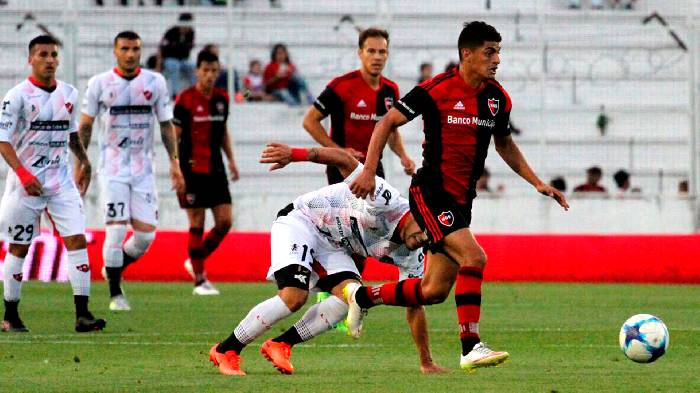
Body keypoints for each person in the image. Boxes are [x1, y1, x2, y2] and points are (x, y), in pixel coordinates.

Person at [347, 21, 569, 371]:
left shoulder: (497, 99)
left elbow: (504, 144)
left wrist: (536, 182)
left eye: (499, 52)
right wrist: (369, 169)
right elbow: (385, 122)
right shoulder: (437, 89)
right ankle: (471, 345)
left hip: (461, 201)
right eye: (489, 52)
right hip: (430, 192)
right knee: (475, 257)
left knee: (433, 290)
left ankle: (364, 296)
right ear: (467, 54)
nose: (497, 59)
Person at [208, 143, 446, 376]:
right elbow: (344, 159)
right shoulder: (386, 199)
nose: (423, 239)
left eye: (430, 237)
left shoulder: (413, 255)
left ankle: (281, 344)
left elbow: (414, 305)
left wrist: (426, 361)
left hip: (332, 244)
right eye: (425, 229)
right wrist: (294, 154)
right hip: (304, 220)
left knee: (349, 300)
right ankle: (226, 349)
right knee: (294, 296)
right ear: (419, 212)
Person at [0, 35, 106, 333]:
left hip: (60, 183)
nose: (49, 60)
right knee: (19, 247)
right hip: (25, 185)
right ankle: (11, 315)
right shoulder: (16, 96)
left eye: (53, 55)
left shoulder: (69, 94)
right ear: (30, 60)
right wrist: (23, 174)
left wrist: (83, 160)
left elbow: (71, 134)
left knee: (76, 240)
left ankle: (82, 315)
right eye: (43, 54)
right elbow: (3, 141)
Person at [79, 31, 185, 311]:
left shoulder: (155, 82)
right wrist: (81, 162)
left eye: (135, 49)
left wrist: (174, 162)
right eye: (124, 48)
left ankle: (113, 267)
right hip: (112, 168)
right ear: (115, 51)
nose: (130, 54)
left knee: (146, 236)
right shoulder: (99, 83)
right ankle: (115, 292)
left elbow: (165, 125)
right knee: (115, 231)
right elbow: (86, 125)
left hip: (143, 168)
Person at [303, 27, 415, 185]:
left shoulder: (391, 90)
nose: (377, 57)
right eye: (371, 51)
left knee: (376, 210)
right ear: (360, 53)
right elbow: (310, 121)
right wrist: (338, 151)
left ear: (387, 55)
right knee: (349, 211)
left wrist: (403, 156)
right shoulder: (341, 86)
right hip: (341, 167)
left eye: (382, 52)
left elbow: (391, 131)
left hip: (373, 166)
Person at [173, 50, 240, 295]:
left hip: (216, 169)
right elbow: (175, 136)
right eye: (205, 70)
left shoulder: (223, 98)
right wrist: (175, 168)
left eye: (214, 71)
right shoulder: (185, 99)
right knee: (197, 222)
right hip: (191, 169)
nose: (210, 75)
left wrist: (231, 160)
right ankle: (200, 280)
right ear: (197, 71)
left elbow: (222, 132)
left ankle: (195, 260)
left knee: (224, 222)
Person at [158, 13, 196, 98]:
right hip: (170, 58)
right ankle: (176, 93)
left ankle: (195, 90)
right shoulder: (171, 32)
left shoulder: (191, 33)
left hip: (183, 59)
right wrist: (159, 64)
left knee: (193, 66)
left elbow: (190, 48)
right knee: (175, 65)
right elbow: (161, 48)